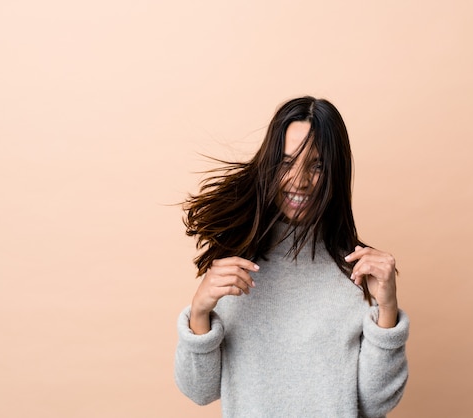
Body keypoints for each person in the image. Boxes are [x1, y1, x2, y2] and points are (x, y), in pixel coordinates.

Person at [174, 96, 409, 417]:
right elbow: (199, 392)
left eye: (316, 165)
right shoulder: (234, 266)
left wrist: (387, 311)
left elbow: (376, 403)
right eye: (286, 163)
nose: (299, 181)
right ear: (269, 166)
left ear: (335, 173)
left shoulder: (360, 273)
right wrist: (199, 312)